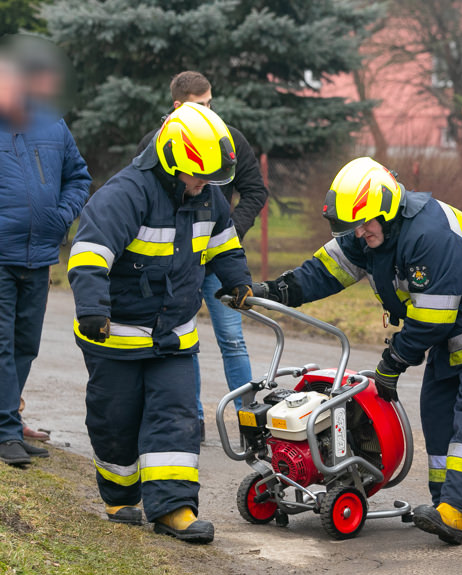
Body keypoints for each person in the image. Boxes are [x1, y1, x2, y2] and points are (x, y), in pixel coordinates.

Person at [257, 157, 462, 545]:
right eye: (352, 226)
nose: (358, 233)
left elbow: (432, 319)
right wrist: (275, 291)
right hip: (452, 327)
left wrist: (392, 363)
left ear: (387, 212)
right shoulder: (370, 231)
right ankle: (454, 506)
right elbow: (324, 272)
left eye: (365, 224)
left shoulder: (428, 235)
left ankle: (455, 510)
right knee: (437, 409)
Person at [68, 102, 260, 544]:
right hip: (114, 335)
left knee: (175, 418)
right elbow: (89, 256)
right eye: (198, 176)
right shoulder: (124, 195)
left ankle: (175, 508)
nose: (204, 186)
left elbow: (225, 245)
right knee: (114, 421)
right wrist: (94, 309)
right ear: (172, 160)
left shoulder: (207, 195)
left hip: (173, 335)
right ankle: (120, 495)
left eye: (210, 178)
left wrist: (238, 283)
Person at [137, 71, 269, 442]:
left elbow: (255, 192)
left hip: (217, 261)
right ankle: (191, 422)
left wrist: (227, 235)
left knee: (232, 339)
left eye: (211, 103)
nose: (209, 112)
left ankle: (249, 424)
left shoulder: (230, 140)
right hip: (177, 262)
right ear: (178, 105)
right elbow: (144, 199)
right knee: (183, 337)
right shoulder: (156, 144)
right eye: (200, 105)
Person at [0, 41, 91, 466]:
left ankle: (8, 425)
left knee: (24, 344)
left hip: (38, 256)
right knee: (2, 345)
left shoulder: (53, 125)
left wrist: (62, 217)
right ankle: (5, 432)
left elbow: (79, 176)